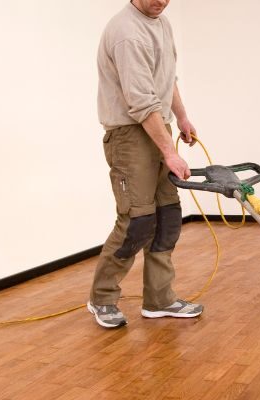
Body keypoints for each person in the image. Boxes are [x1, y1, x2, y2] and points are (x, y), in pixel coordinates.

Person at [87, 0, 203, 328]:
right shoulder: (127, 33)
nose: (161, 2)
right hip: (129, 134)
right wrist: (169, 152)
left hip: (158, 124)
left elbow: (167, 79)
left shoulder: (162, 23)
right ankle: (102, 298)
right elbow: (139, 101)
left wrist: (181, 117)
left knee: (167, 217)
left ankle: (159, 299)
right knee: (137, 221)